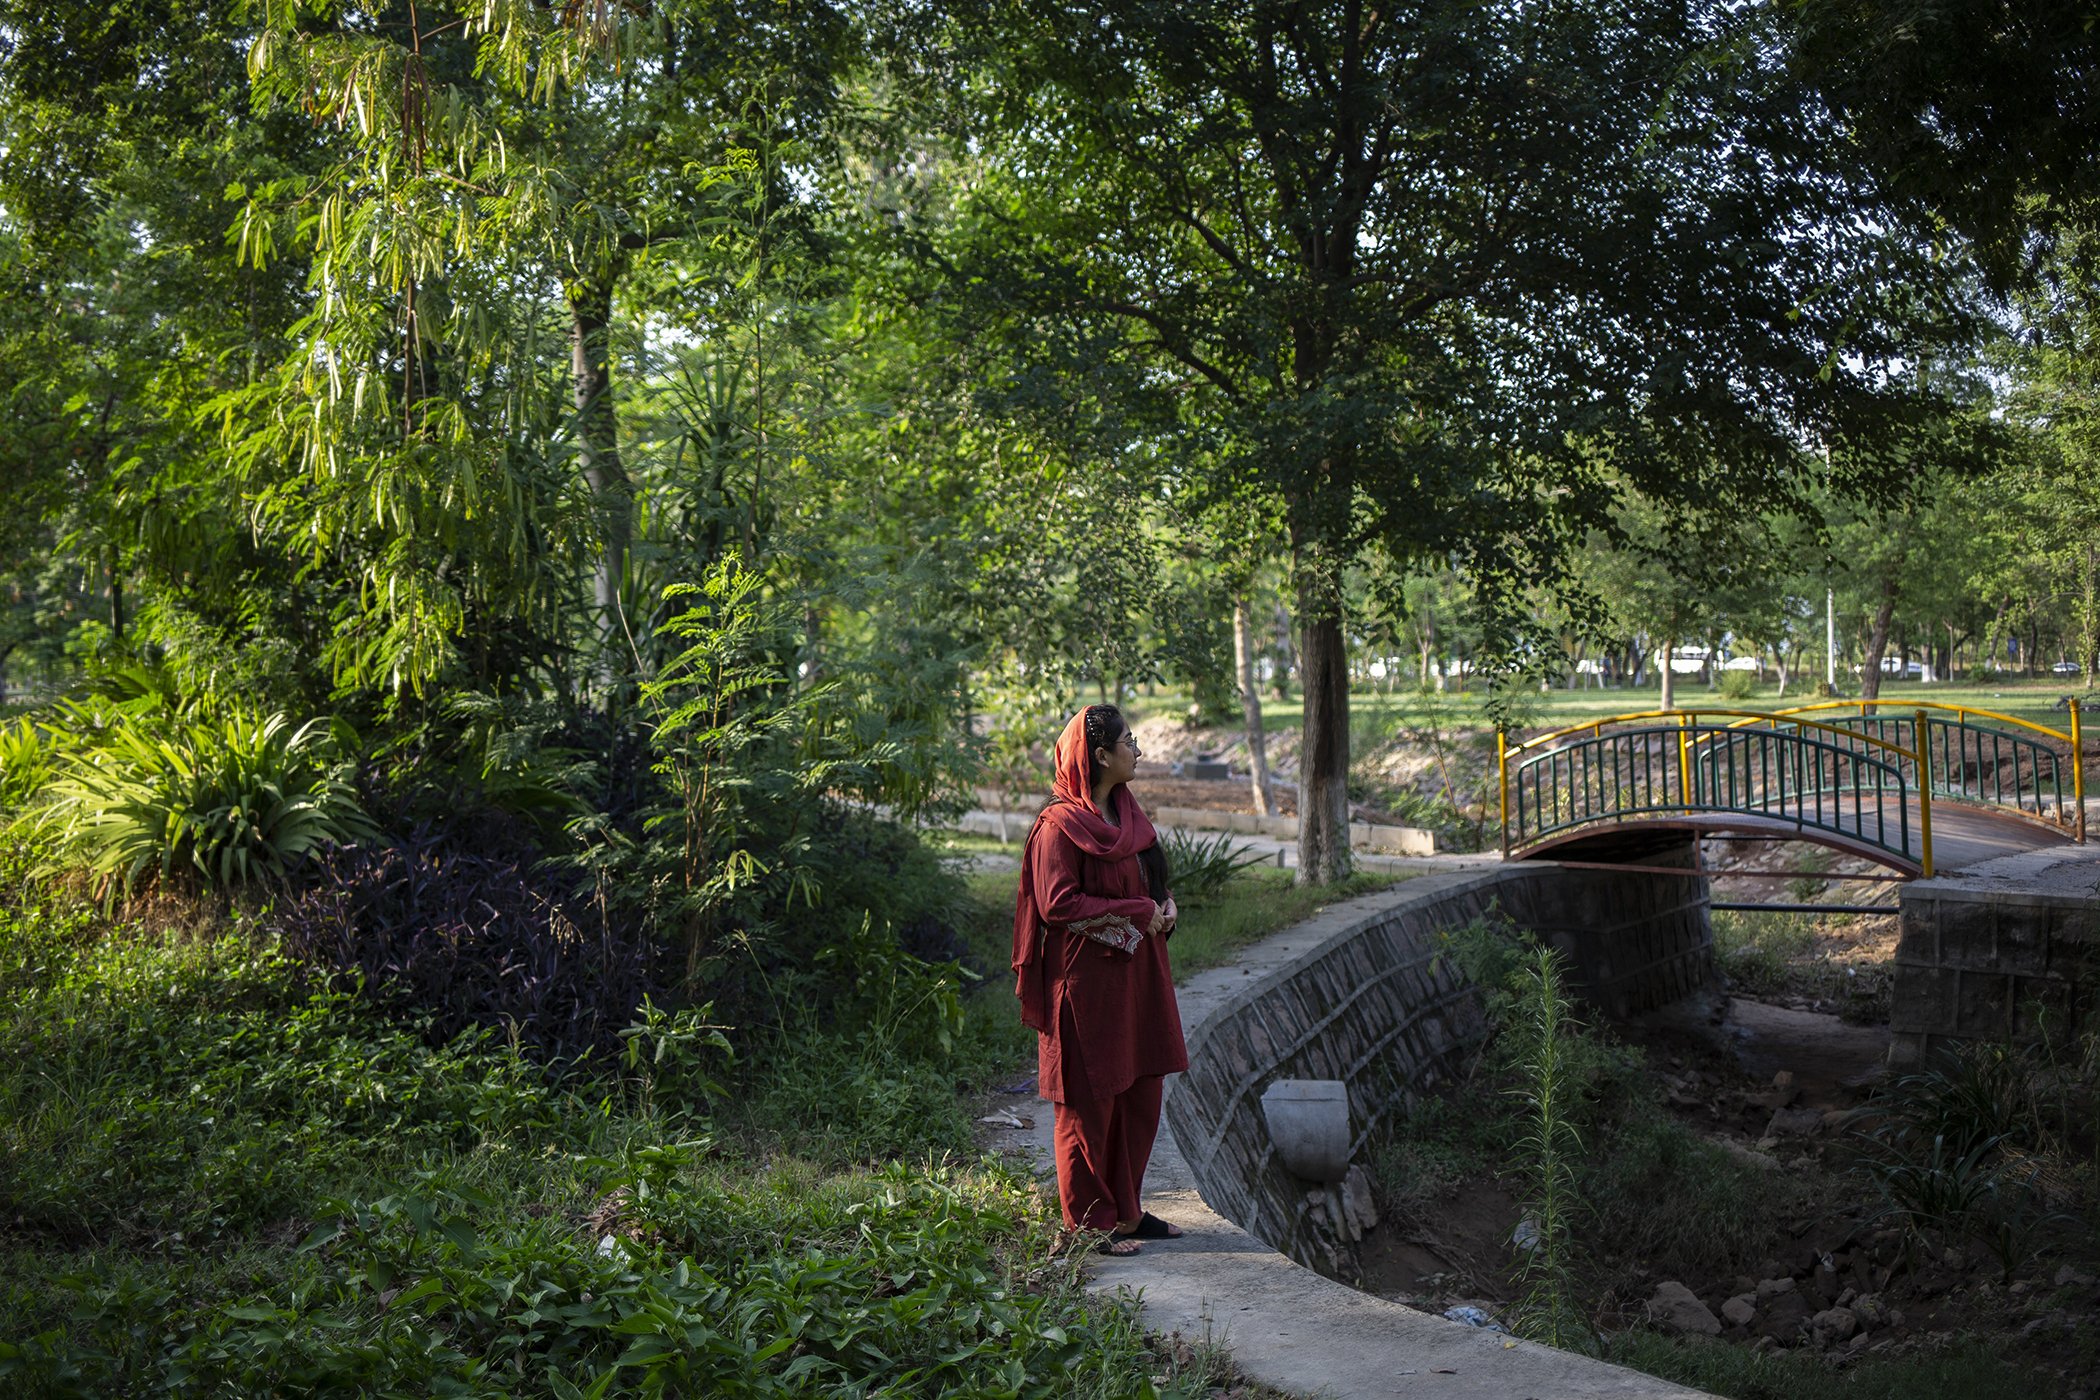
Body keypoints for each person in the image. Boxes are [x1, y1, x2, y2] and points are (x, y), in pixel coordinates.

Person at [1011, 705, 1188, 1255]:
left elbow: (1148, 882)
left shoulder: (1128, 817)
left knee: (1140, 1095)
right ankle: (1089, 1224)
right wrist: (1140, 912)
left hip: (1137, 981)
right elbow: (1058, 904)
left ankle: (1127, 1213)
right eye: (1129, 741)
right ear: (1101, 755)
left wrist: (1164, 904)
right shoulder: (1058, 828)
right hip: (1085, 990)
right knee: (1089, 1105)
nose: (1138, 750)